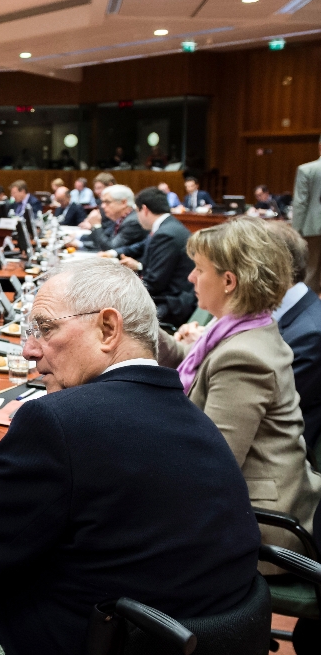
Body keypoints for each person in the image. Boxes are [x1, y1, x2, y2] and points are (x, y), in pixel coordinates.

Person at [0, 259, 260, 655]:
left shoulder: (57, 421)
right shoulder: (193, 417)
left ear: (108, 328)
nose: (28, 350)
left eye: (46, 328)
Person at [158, 217, 321, 560]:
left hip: (258, 524)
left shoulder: (244, 356)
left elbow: (213, 463)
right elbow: (192, 362)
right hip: (249, 500)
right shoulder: (244, 327)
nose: (191, 278)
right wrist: (139, 324)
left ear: (229, 281)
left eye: (199, 269)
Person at [266, 222, 321, 451]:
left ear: (272, 269)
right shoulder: (272, 311)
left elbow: (268, 408)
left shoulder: (311, 335)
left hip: (276, 451)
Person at [116, 187, 197, 328]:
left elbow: (154, 283)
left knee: (115, 313)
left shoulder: (166, 234)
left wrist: (119, 291)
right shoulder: (167, 226)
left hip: (171, 303)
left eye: (137, 211)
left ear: (144, 209)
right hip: (170, 296)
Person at [77, 184, 146, 253]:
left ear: (123, 203)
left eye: (107, 202)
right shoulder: (119, 218)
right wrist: (79, 244)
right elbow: (106, 241)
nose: (103, 206)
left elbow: (111, 248)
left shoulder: (133, 222)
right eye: (102, 202)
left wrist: (96, 225)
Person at [292, 135, 321, 292]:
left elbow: (300, 203)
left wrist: (295, 231)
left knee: (311, 270)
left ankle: (310, 304)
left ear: (319, 147)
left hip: (312, 227)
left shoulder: (306, 170)